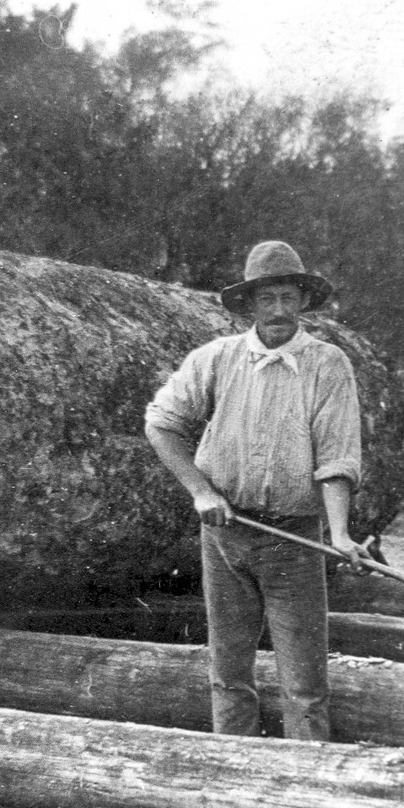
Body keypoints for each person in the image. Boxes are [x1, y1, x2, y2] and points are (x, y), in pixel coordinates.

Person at [144, 240, 363, 741]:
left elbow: (336, 458)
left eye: (289, 297)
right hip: (225, 534)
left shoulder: (328, 366)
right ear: (250, 305)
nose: (280, 311)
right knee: (228, 671)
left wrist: (341, 534)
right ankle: (232, 781)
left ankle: (304, 792)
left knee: (305, 682)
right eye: (268, 299)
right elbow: (160, 424)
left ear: (303, 302)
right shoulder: (215, 360)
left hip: (293, 540)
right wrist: (200, 492)